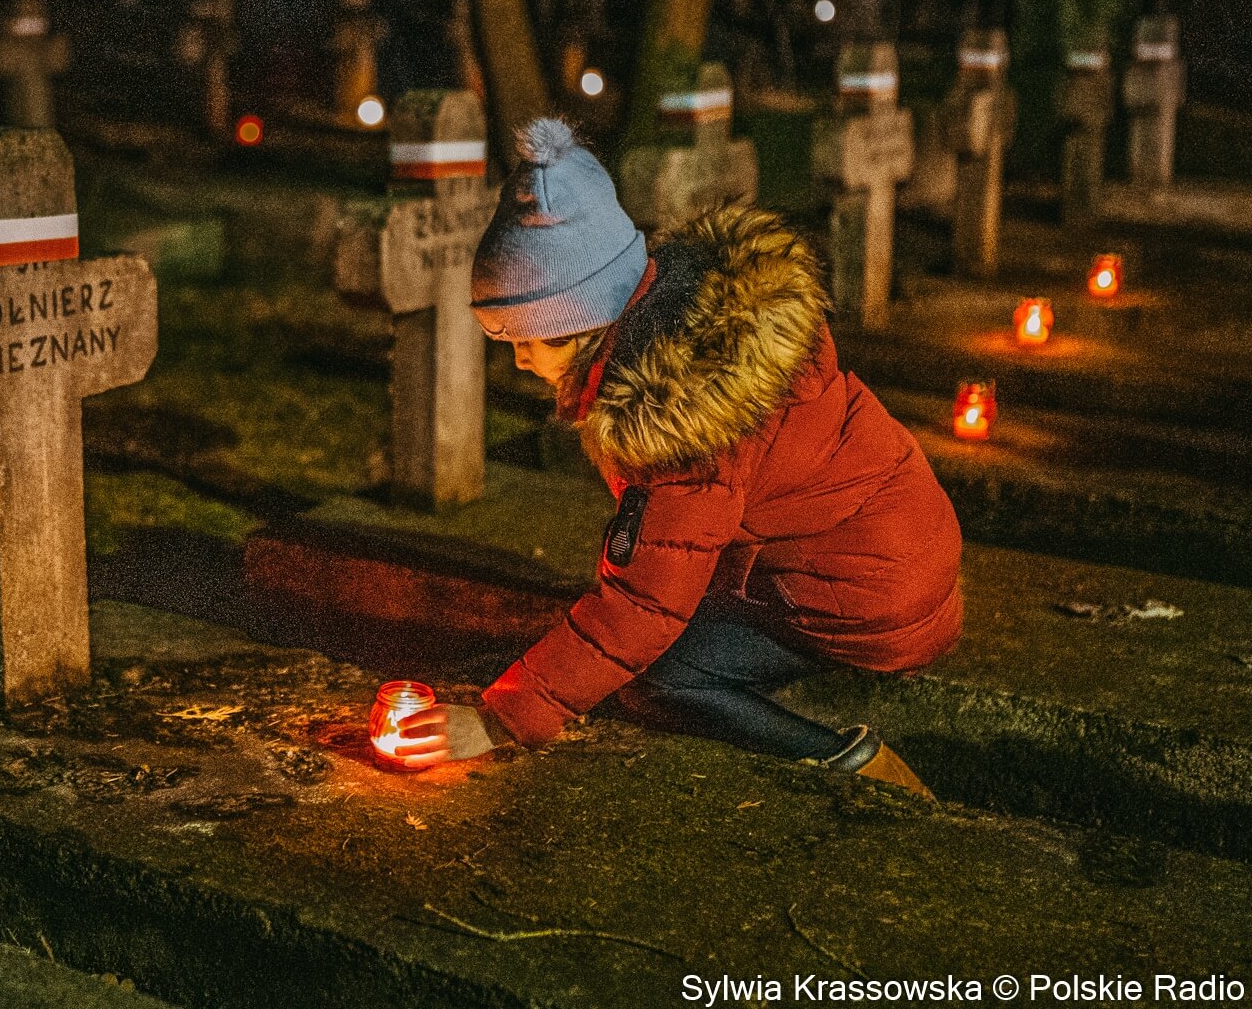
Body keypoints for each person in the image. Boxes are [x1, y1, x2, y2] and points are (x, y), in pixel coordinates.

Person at [396, 118, 962, 797]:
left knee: (663, 681)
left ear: (582, 325)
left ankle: (857, 765)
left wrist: (500, 719)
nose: (517, 360)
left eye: (525, 339)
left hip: (868, 596)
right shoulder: (698, 325)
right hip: (902, 547)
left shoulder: (677, 417)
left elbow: (644, 604)